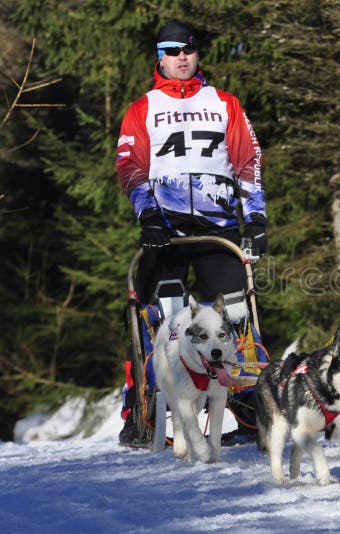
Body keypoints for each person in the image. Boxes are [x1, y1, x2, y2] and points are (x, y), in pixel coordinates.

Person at [115, 20, 267, 445]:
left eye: (188, 49)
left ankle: (250, 404)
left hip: (219, 228)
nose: (181, 57)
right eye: (172, 50)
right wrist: (147, 216)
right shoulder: (142, 108)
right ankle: (143, 408)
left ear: (197, 54)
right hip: (165, 229)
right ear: (159, 56)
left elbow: (247, 160)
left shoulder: (224, 103)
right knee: (161, 317)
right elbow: (131, 165)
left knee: (236, 315)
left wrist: (255, 218)